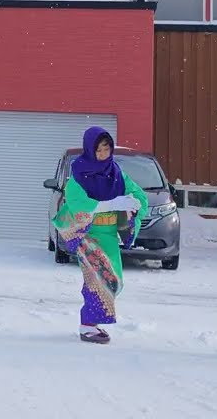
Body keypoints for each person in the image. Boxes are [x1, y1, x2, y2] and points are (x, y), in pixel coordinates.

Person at [51, 127, 149, 344]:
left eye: (107, 148)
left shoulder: (115, 172)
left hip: (109, 234)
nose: (103, 154)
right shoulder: (78, 175)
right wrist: (110, 204)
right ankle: (87, 325)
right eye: (99, 149)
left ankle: (91, 323)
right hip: (88, 234)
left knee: (114, 280)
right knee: (96, 279)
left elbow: (137, 193)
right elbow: (78, 204)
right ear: (89, 149)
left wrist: (133, 203)